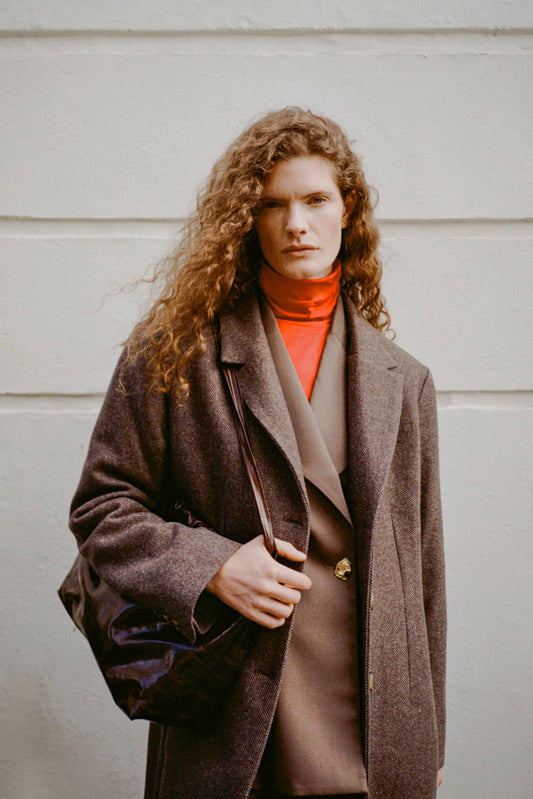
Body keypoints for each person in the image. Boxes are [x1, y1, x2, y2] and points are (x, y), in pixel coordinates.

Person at [68, 107, 446, 799]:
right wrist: (211, 566)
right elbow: (102, 508)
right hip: (237, 705)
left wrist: (428, 737)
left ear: (347, 209)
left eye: (315, 200)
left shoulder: (404, 379)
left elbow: (423, 573)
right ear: (246, 218)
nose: (296, 223)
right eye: (272, 205)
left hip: (374, 721)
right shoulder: (174, 354)